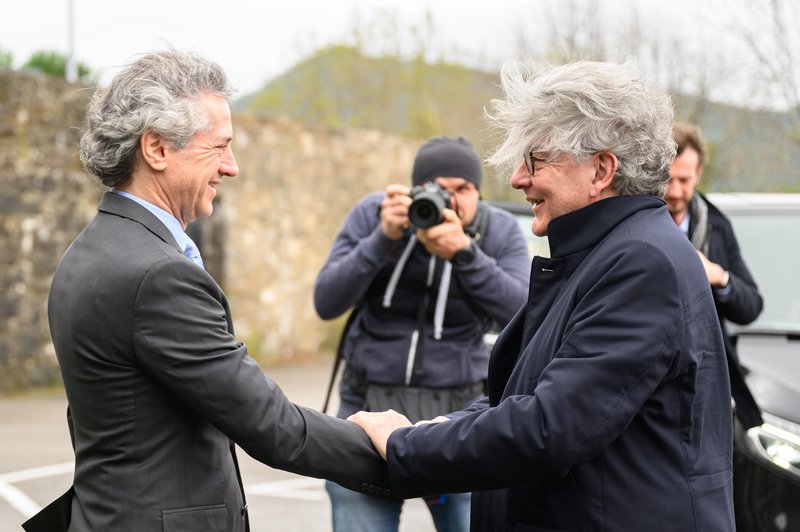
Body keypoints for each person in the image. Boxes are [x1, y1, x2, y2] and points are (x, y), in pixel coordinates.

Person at [350, 60, 737, 532]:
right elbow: (522, 395)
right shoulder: (603, 255)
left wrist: (404, 446)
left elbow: (550, 427)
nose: (516, 179)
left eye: (535, 160)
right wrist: (434, 429)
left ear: (601, 169)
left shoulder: (640, 263)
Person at [24, 50, 393, 532]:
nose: (232, 166)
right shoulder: (155, 275)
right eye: (219, 146)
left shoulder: (89, 252)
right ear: (156, 148)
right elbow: (271, 425)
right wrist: (392, 447)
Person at [314, 135, 530, 532]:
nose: (450, 201)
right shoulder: (376, 213)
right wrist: (382, 238)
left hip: (458, 418)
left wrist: (465, 254)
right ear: (414, 191)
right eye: (438, 190)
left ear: (478, 193)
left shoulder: (497, 229)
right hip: (368, 411)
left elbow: (524, 314)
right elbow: (326, 300)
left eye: (463, 190)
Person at [668, 122, 764, 429]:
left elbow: (751, 306)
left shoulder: (717, 227)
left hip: (706, 382)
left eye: (684, 179)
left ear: (698, 174)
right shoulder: (630, 225)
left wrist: (718, 276)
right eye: (666, 179)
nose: (674, 191)